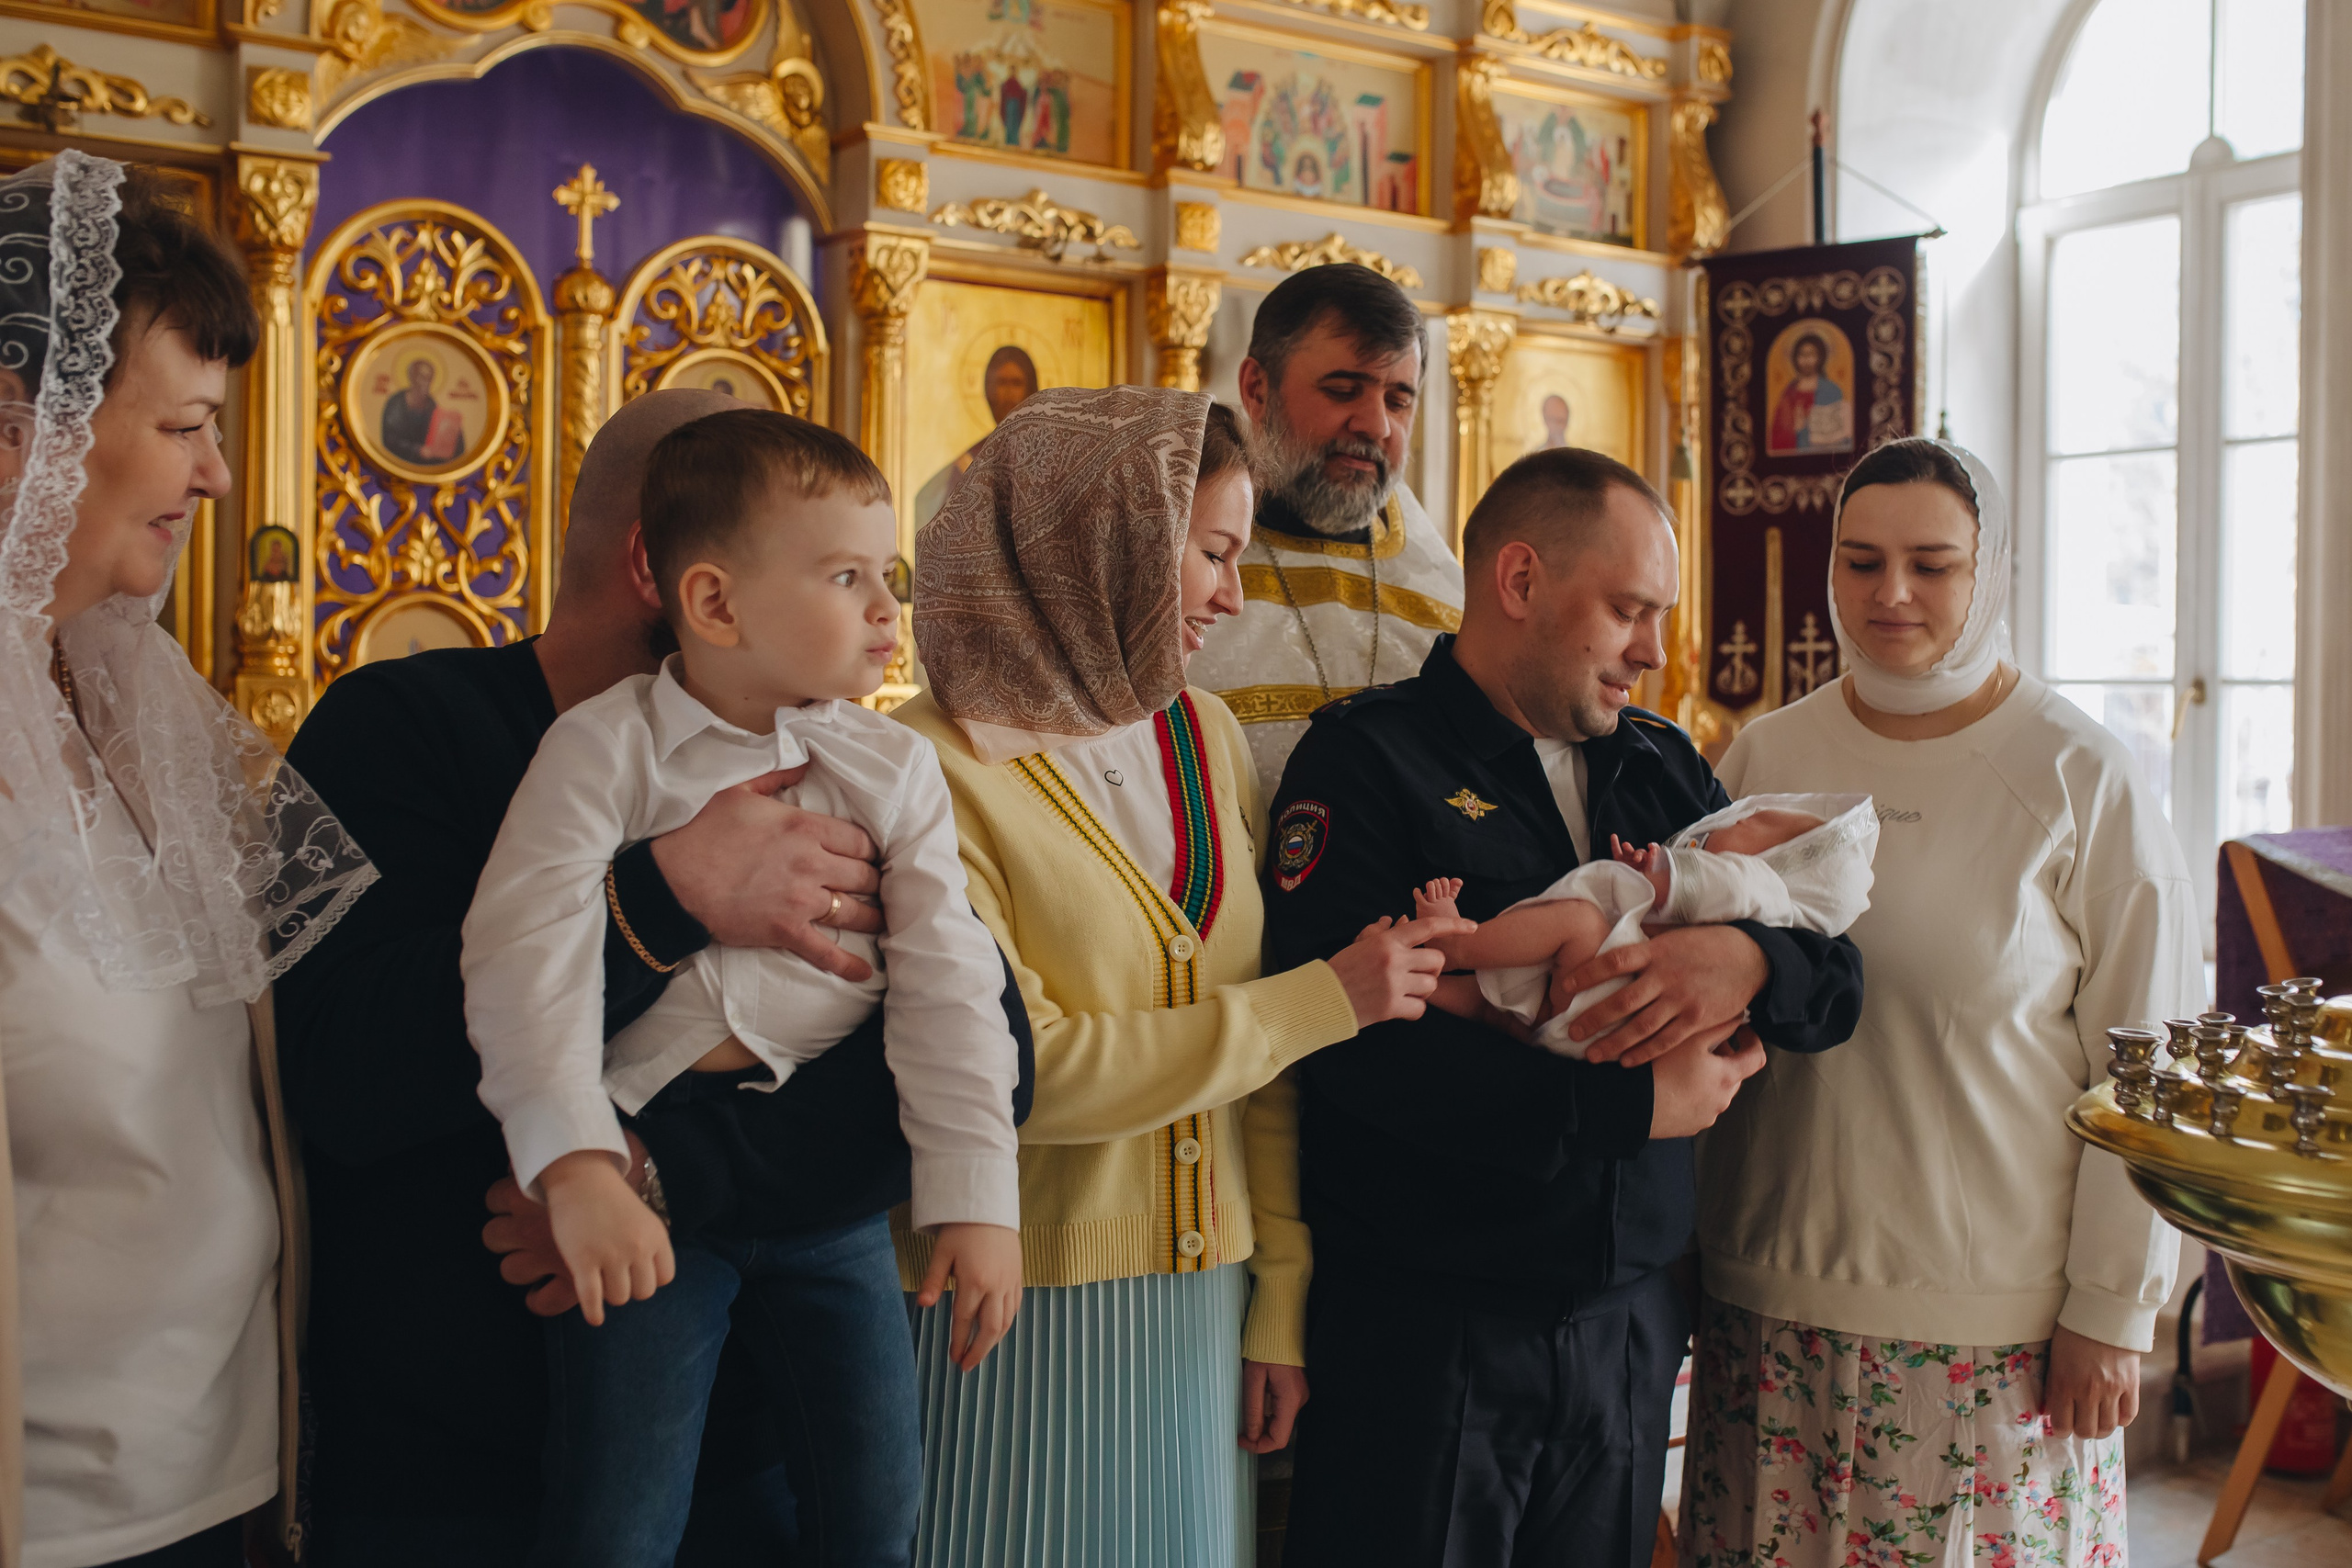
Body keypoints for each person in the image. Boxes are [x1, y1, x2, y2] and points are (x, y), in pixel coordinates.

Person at [277, 388, 1032, 1564]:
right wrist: (663, 899)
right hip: (445, 1479)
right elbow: (345, 1072)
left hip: (754, 1445)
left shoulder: (865, 760)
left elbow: (974, 1023)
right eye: (843, 573)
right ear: (687, 583)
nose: (889, 612)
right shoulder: (412, 728)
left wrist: (668, 1176)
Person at [891, 384, 1466, 1568]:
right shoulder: (927, 765)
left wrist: (1278, 1296)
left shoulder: (1196, 734)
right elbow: (1014, 1072)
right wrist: (1323, 1001)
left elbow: (1260, 1067)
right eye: (1208, 553)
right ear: (1096, 545)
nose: (1230, 595)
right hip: (1008, 1305)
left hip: (1205, 1305)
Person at [1263, 447, 1865, 1568]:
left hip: (1629, 1327)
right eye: (1628, 611)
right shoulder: (1364, 761)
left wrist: (1742, 963)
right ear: (1520, 579)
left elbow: (1833, 978)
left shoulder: (1664, 766)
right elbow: (1348, 1049)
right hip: (1430, 1325)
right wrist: (1630, 1108)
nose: (1654, 650)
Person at [1679, 438, 2196, 1568]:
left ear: (1990, 568)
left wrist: (2112, 1310)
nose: (1891, 594)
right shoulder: (1769, 752)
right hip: (1768, 1302)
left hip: (1994, 1333)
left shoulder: (2077, 774)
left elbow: (2147, 1076)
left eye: (1932, 564)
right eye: (1860, 561)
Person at [0, 152, 377, 1567]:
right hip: (45, 1510)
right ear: (19, 430)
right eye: (183, 426)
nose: (217, 472)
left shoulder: (134, 698)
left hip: (232, 1462)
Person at [1189, 263, 1464, 803]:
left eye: (1399, 400)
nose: (1376, 425)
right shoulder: (1177, 561)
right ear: (1257, 389)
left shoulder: (1448, 598)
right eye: (1342, 390)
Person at [1412, 791, 1877, 1054]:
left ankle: (1457, 946)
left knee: (1577, 921)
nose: (1737, 820)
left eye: (1753, 827)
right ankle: (1425, 985)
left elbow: (1712, 885)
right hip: (1593, 1024)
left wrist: (1758, 962)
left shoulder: (1757, 883)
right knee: (1491, 1008)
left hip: (1609, 1002)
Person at [911, 344, 1038, 527]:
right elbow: (930, 509)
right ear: (989, 390)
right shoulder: (969, 462)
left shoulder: (1049, 453)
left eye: (1016, 383)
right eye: (1002, 383)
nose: (1008, 394)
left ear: (1030, 390)